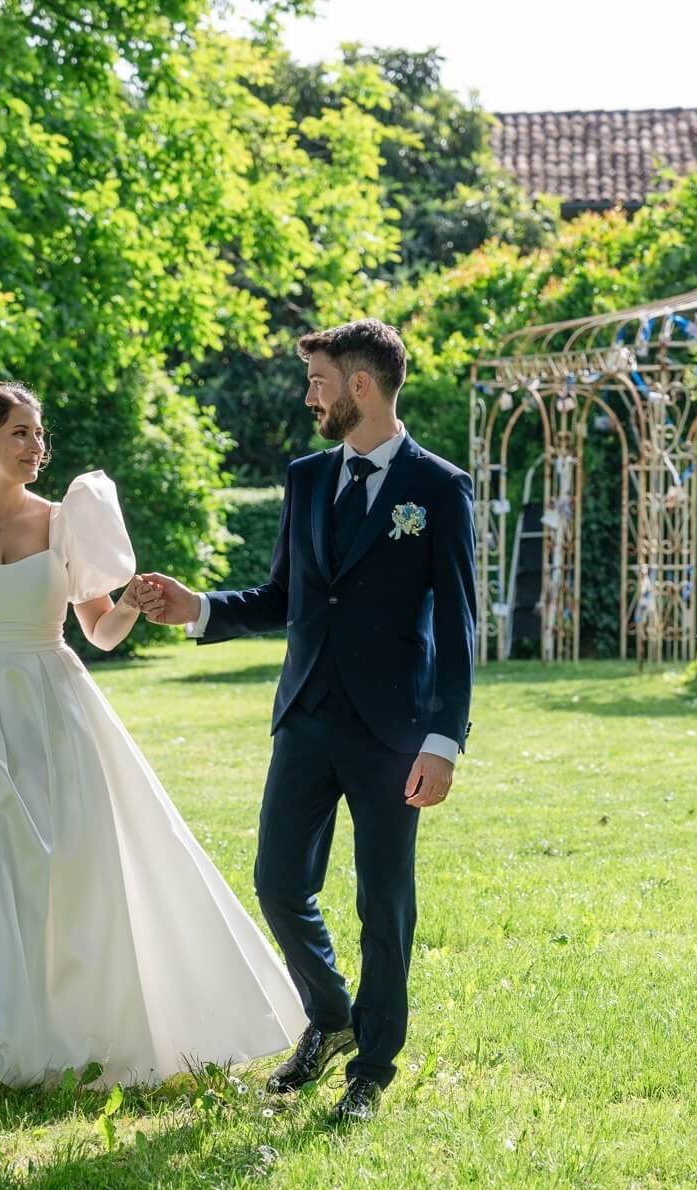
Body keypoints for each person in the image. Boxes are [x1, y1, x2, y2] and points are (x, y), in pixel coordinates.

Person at [0, 381, 302, 1090]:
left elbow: (97, 631)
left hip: (49, 707)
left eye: (40, 435)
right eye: (21, 434)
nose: (38, 448)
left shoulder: (67, 523)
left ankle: (50, 1024)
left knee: (54, 871)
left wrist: (129, 604)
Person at [138, 319, 475, 1122]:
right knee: (279, 882)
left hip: (394, 733)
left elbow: (459, 625)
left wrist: (443, 741)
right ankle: (329, 1016)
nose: (308, 395)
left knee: (384, 901)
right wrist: (201, 608)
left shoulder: (438, 487)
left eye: (319, 380)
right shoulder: (306, 477)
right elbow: (285, 595)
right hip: (306, 718)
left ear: (361, 385)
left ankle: (374, 1066)